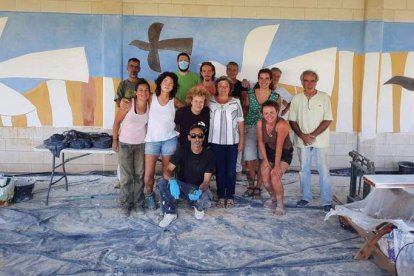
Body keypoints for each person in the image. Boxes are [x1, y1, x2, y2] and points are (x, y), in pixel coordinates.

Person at [288, 70, 333, 213]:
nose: (309, 83)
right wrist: (302, 135)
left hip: (320, 140)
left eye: (312, 80)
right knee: (304, 169)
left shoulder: (324, 97)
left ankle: (326, 200)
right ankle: (306, 197)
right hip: (302, 140)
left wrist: (312, 135)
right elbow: (292, 120)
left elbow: (328, 119)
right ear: (302, 82)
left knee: (323, 170)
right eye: (306, 80)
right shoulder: (297, 98)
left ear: (316, 82)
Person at [158, 124, 216, 228]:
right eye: (193, 136)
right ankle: (170, 212)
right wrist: (172, 180)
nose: (197, 139)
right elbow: (167, 170)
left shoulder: (209, 155)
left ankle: (196, 205)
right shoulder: (182, 150)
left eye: (200, 136)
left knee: (206, 201)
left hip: (196, 189)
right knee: (163, 182)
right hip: (182, 187)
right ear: (189, 137)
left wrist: (199, 190)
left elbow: (206, 181)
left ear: (203, 137)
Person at [112, 79, 150, 216]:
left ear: (149, 93)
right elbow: (116, 123)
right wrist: (115, 140)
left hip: (141, 144)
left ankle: (139, 202)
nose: (143, 93)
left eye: (146, 90)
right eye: (140, 90)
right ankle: (125, 203)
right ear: (135, 92)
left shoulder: (149, 106)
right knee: (127, 176)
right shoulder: (128, 104)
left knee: (139, 175)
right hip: (125, 144)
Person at [243, 68, 282, 199]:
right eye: (261, 78)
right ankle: (250, 185)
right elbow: (245, 111)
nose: (264, 81)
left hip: (267, 132)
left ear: (271, 80)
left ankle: (258, 187)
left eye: (267, 78)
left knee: (263, 160)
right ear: (258, 79)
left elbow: (277, 116)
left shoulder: (276, 97)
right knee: (249, 160)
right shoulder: (250, 94)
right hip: (251, 129)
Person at [144, 72, 179, 209]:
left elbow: (188, 108)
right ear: (160, 82)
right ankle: (149, 194)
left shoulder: (174, 101)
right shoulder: (151, 98)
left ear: (174, 86)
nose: (168, 84)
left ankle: (165, 195)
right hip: (152, 140)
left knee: (167, 172)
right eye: (165, 81)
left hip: (169, 139)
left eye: (171, 83)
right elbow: (137, 104)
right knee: (148, 174)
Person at [209, 76, 245, 208]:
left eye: (226, 86)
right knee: (219, 170)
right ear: (216, 87)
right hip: (215, 142)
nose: (223, 88)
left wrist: (242, 141)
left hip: (232, 142)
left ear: (230, 88)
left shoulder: (236, 102)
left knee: (230, 171)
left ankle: (230, 196)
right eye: (221, 86)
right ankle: (221, 196)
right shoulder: (210, 101)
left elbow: (241, 122)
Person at [257, 100, 293, 216]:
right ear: (262, 114)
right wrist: (266, 162)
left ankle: (280, 204)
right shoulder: (260, 123)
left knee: (275, 177)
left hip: (284, 153)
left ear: (277, 111)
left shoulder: (282, 124)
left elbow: (279, 146)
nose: (269, 116)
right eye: (266, 113)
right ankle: (273, 197)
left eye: (272, 112)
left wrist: (276, 166)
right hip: (269, 152)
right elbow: (261, 142)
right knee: (266, 181)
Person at [113, 57, 141, 189]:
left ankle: (135, 181)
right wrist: (125, 104)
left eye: (136, 67)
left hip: (140, 124)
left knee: (138, 157)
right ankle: (121, 180)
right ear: (127, 68)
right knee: (123, 157)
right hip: (126, 123)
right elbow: (118, 101)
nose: (134, 69)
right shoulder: (123, 84)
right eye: (131, 66)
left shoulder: (143, 83)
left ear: (139, 69)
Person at [226, 61, 249, 180]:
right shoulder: (221, 83)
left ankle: (238, 170)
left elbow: (244, 103)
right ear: (226, 70)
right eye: (229, 69)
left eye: (234, 69)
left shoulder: (242, 85)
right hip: (224, 120)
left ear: (238, 71)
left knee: (238, 146)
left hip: (238, 119)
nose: (232, 72)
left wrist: (242, 119)